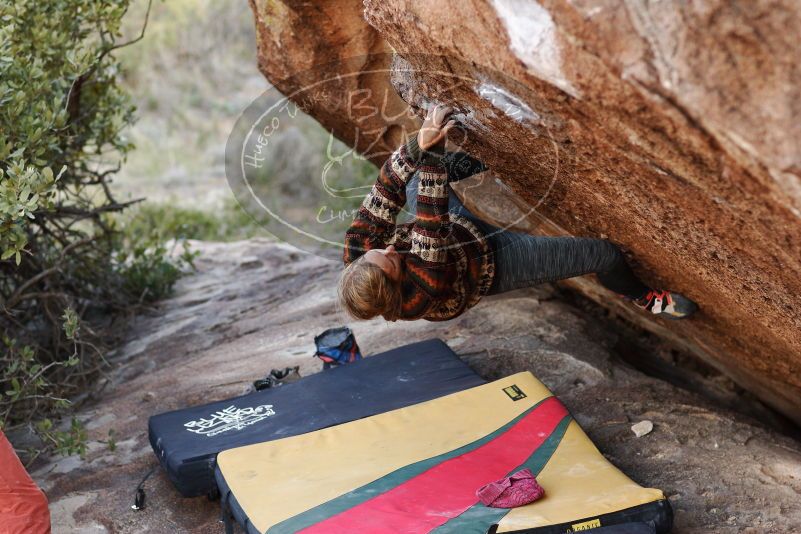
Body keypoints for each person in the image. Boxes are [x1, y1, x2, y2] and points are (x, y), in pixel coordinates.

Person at [338, 104, 697, 323]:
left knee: (414, 178)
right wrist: (434, 145)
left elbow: (384, 191)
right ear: (396, 281)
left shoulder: (359, 254)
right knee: (603, 255)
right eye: (391, 261)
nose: (387, 250)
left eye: (378, 252)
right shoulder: (421, 293)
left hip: (456, 229)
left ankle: (501, 151)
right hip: (492, 264)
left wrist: (419, 143)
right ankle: (641, 296)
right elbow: (431, 224)